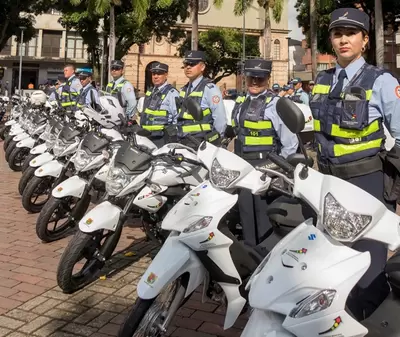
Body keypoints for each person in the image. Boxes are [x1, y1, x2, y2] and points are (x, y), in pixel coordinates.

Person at [310, 7, 400, 320]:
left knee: (369, 266)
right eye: (337, 33)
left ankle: (374, 324)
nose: (343, 39)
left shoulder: (382, 81)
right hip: (328, 182)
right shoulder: (322, 80)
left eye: (351, 33)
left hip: (367, 182)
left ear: (364, 40)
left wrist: (393, 184)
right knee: (334, 260)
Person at [231, 59, 298, 247]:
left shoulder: (276, 105)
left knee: (264, 219)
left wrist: (276, 173)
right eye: (251, 77)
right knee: (246, 216)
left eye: (260, 79)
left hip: (265, 170)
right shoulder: (241, 102)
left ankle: (266, 257)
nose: (254, 82)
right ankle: (251, 256)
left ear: (268, 79)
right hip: (244, 169)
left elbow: (290, 145)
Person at [177, 50, 227, 146]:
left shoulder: (210, 89)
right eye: (186, 64)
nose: (188, 67)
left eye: (192, 64)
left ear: (202, 67)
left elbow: (220, 119)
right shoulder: (184, 89)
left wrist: (214, 141)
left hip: (201, 143)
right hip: (183, 141)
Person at [140, 62, 179, 147]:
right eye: (154, 74)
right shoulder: (150, 91)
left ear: (166, 75)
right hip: (146, 137)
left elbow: (177, 117)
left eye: (159, 74)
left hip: (162, 139)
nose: (155, 76)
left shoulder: (172, 93)